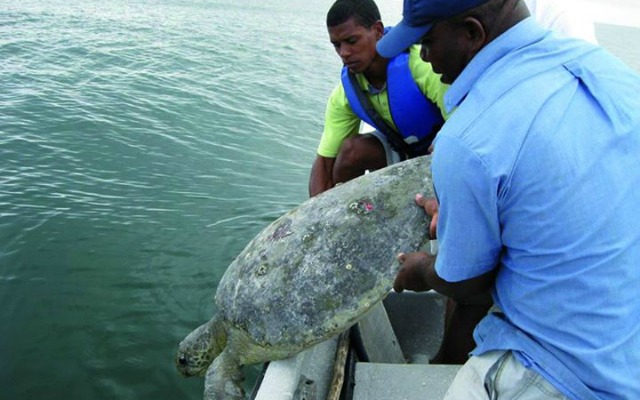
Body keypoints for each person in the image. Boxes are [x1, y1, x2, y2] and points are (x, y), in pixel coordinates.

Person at [377, 0, 640, 399]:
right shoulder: (615, 73)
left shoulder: (466, 138)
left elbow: (466, 282)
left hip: (568, 374)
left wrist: (423, 270)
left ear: (472, 33)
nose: (425, 58)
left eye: (428, 41)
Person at [308, 0, 449, 197]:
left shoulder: (424, 65)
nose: (344, 53)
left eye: (352, 41)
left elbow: (466, 128)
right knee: (351, 152)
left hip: (444, 146)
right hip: (403, 150)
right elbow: (324, 161)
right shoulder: (344, 95)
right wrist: (316, 217)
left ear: (378, 30)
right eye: (336, 45)